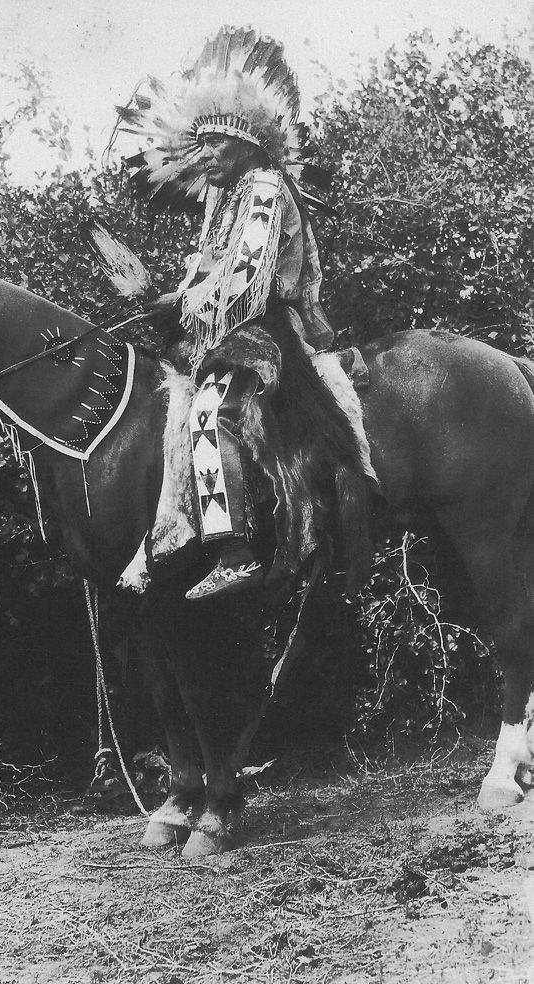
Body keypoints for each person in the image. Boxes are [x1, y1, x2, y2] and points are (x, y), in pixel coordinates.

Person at [114, 26, 371, 601]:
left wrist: (177, 304)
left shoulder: (264, 188)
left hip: (266, 326)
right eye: (198, 144)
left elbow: (247, 281)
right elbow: (209, 274)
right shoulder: (225, 198)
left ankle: (237, 548)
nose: (201, 155)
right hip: (227, 325)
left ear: (247, 144)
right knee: (168, 401)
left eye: (214, 144)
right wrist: (166, 301)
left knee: (209, 408)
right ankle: (169, 529)